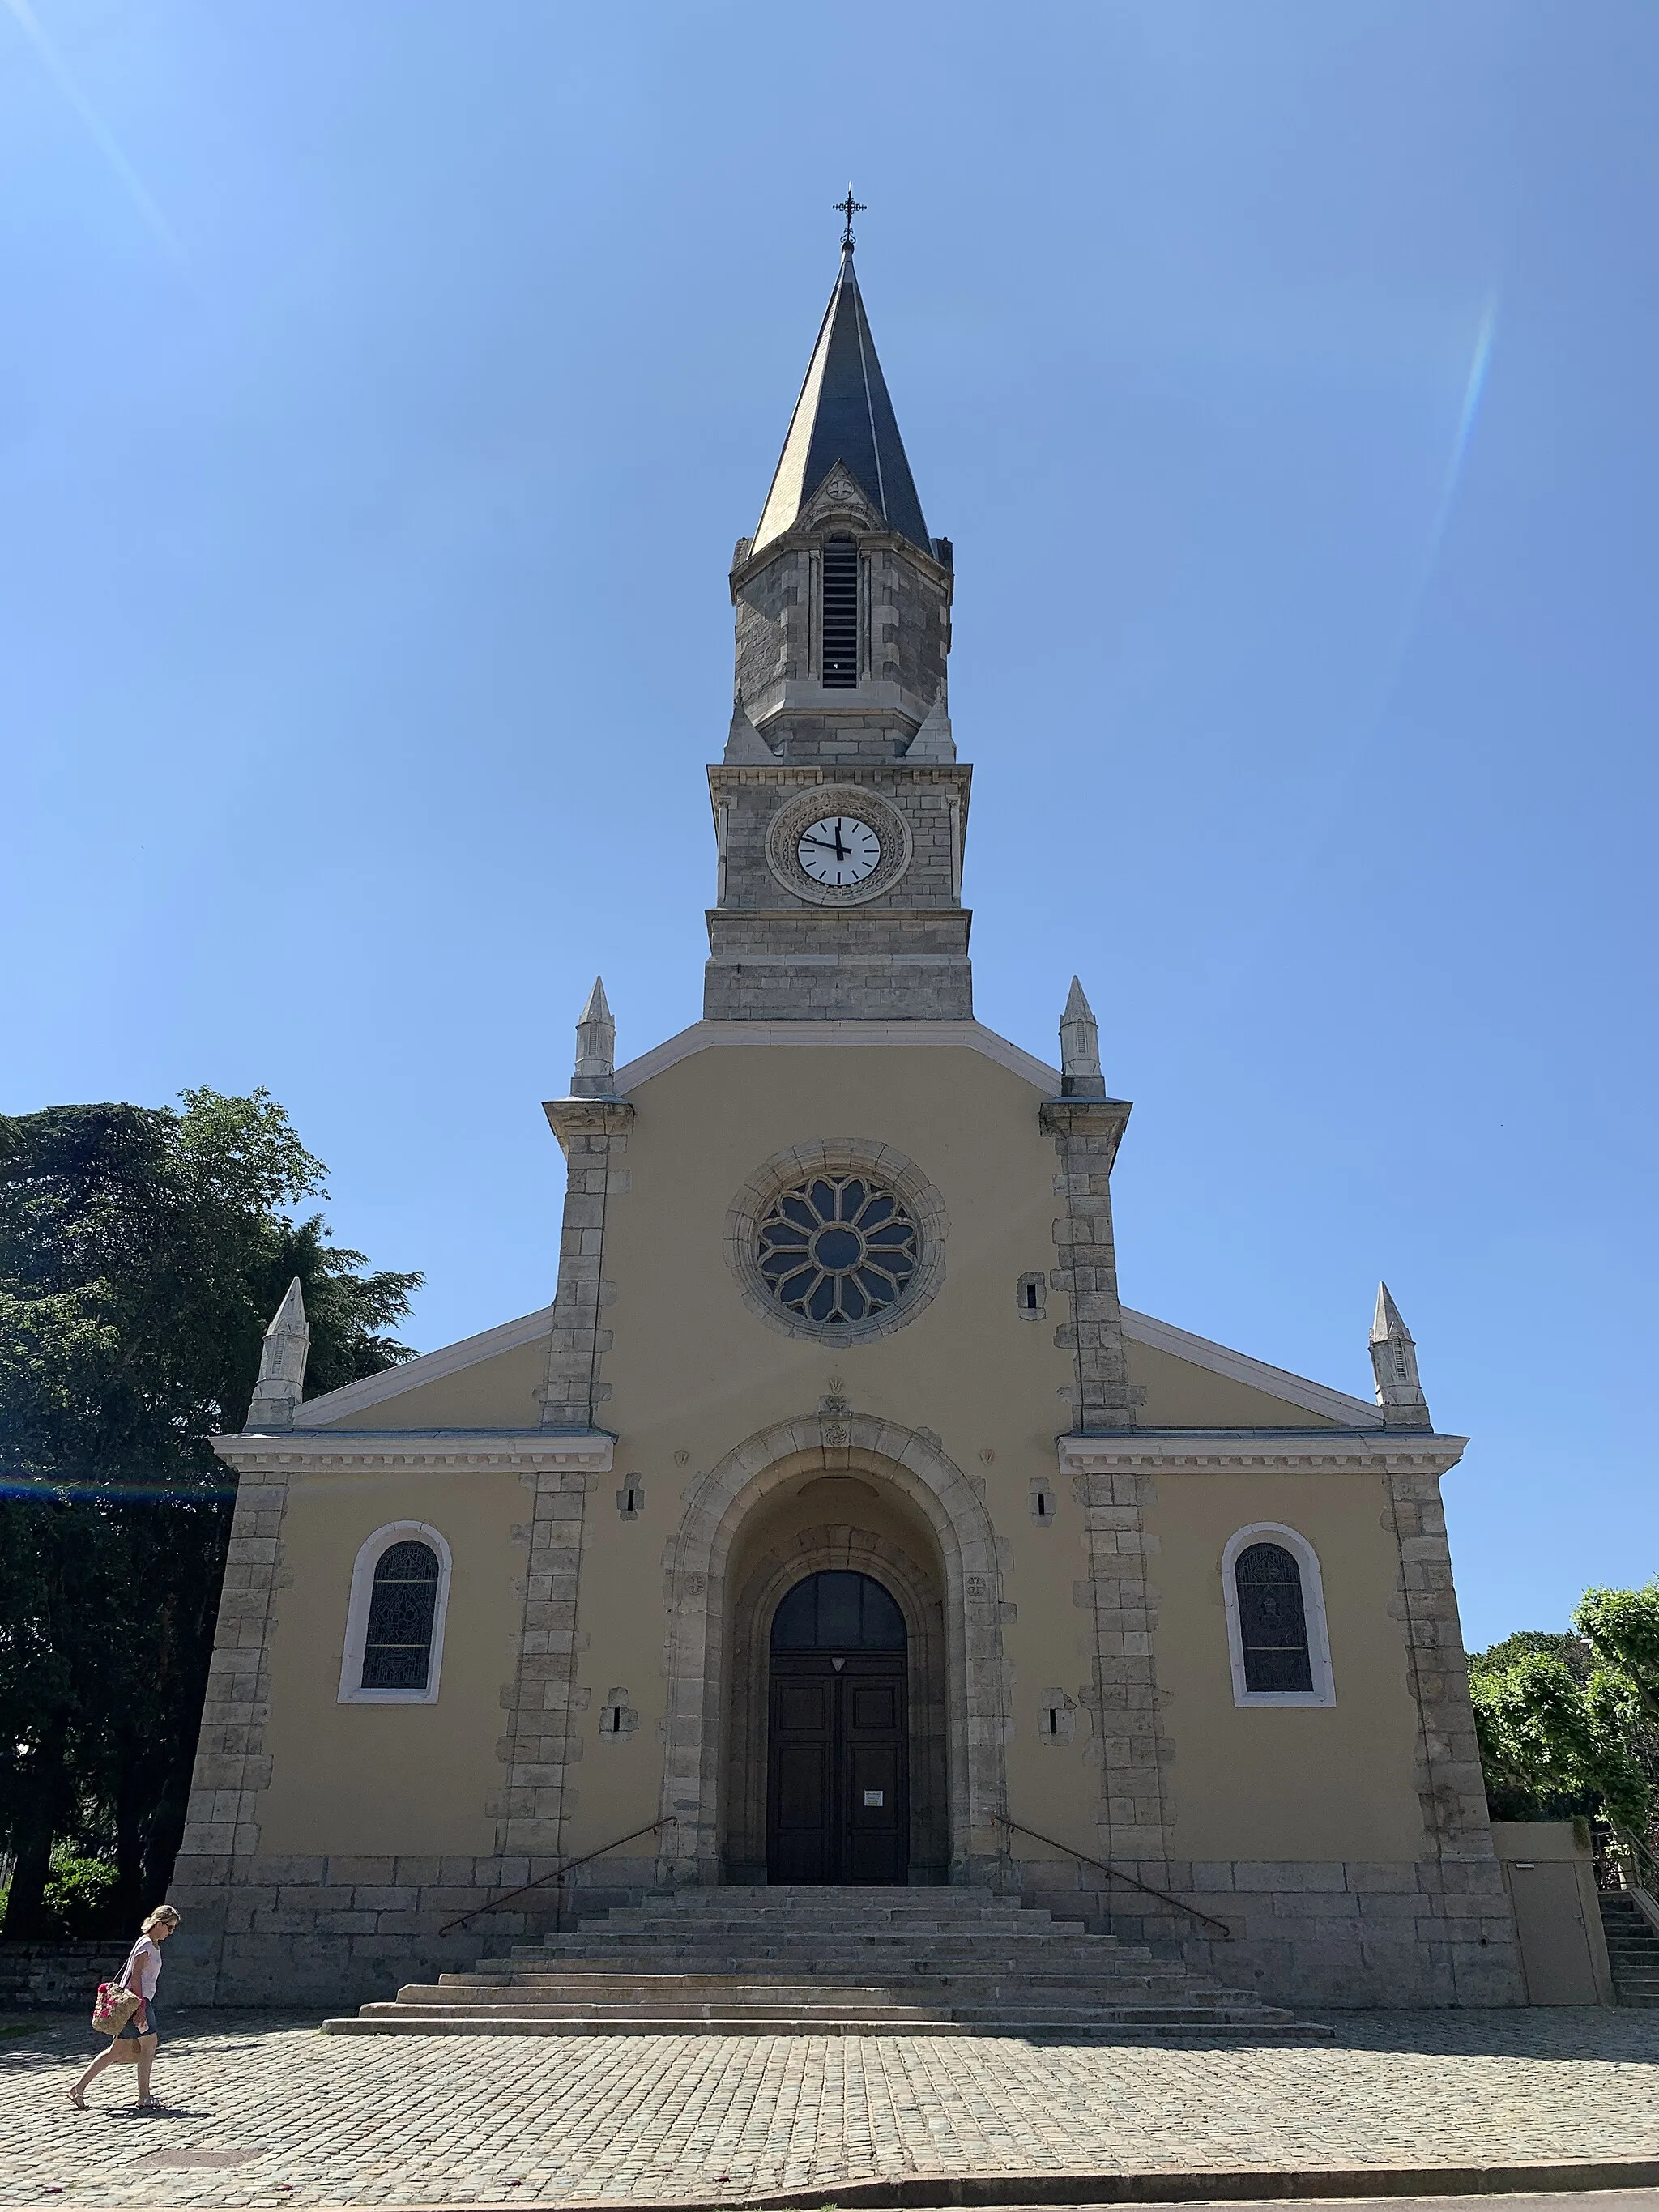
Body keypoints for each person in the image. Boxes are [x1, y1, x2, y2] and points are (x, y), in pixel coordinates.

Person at [70, 1904, 181, 2112]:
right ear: (158, 1923)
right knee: (150, 2044)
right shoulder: (146, 1944)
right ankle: (144, 2096)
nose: (171, 1932)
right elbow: (135, 1976)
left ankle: (78, 2088)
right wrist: (140, 2006)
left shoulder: (151, 1944)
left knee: (118, 2050)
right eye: (170, 1927)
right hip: (138, 2002)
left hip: (140, 2001)